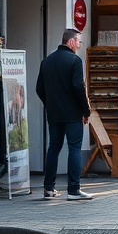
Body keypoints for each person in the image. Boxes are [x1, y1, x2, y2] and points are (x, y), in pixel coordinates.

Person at [35, 28, 93, 201]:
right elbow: (78, 87)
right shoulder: (75, 61)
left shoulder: (47, 61)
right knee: (74, 148)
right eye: (79, 42)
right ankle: (74, 190)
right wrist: (85, 110)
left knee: (54, 147)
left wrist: (50, 104)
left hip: (54, 113)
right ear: (71, 41)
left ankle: (48, 189)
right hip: (72, 113)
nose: (80, 45)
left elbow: (39, 89)